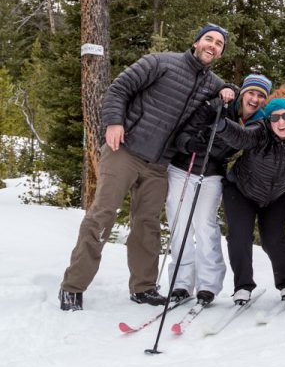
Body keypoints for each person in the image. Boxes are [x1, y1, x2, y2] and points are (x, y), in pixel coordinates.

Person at [59, 23, 235, 311]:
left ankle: (143, 287)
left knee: (148, 225)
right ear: (196, 41)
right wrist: (114, 122)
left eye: (219, 44)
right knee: (101, 215)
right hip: (124, 150)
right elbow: (119, 88)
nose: (212, 45)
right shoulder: (160, 62)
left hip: (158, 164)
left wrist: (229, 88)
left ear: (219, 53)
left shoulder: (212, 83)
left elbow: (229, 93)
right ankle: (73, 286)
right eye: (208, 39)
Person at [166, 73, 273, 305]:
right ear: (243, 93)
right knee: (180, 224)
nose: (254, 99)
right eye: (251, 93)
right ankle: (181, 283)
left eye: (260, 96)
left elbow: (243, 140)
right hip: (183, 166)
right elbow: (185, 129)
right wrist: (187, 143)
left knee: (205, 225)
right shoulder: (219, 104)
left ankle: (208, 284)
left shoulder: (260, 122)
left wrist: (223, 126)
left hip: (212, 172)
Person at [215, 96, 285, 305]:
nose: (281, 122)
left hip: (277, 194)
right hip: (241, 189)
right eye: (275, 118)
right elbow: (241, 136)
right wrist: (222, 124)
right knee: (239, 237)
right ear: (268, 120)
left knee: (274, 239)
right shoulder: (260, 131)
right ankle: (242, 285)